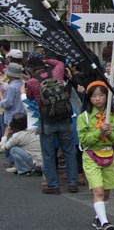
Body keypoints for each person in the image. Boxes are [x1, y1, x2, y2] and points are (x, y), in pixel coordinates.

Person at [26, 53, 78, 194]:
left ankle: (53, 185)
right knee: (69, 152)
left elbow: (30, 96)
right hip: (64, 118)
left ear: (31, 69)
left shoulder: (31, 82)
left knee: (48, 154)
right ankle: (73, 184)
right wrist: (47, 59)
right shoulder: (56, 73)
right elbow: (60, 63)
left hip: (47, 120)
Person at [76, 82, 114, 230]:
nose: (98, 99)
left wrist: (109, 133)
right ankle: (104, 223)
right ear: (89, 99)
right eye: (94, 96)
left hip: (108, 155)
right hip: (91, 156)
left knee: (107, 191)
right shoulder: (84, 118)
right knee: (98, 190)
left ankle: (99, 217)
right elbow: (83, 141)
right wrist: (98, 132)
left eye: (101, 95)